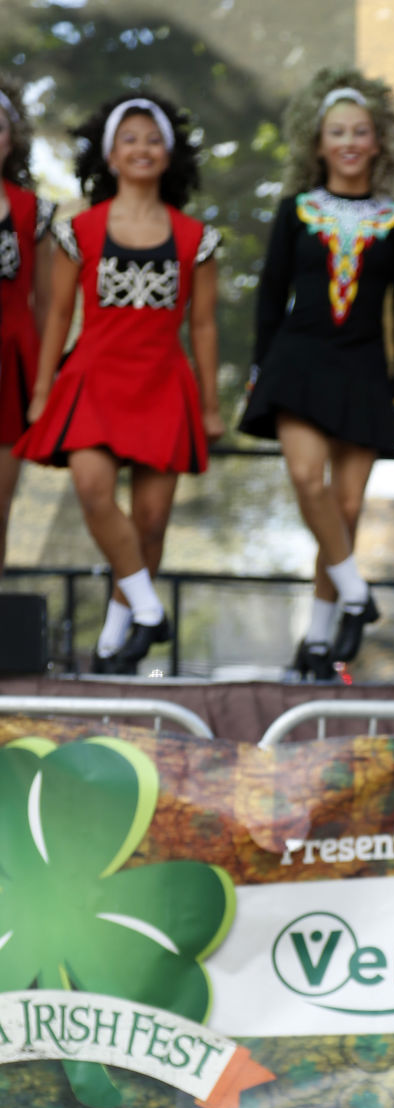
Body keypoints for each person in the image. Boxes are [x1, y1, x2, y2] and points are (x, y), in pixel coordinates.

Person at [17, 93, 222, 674]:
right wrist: (40, 391)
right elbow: (57, 316)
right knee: (93, 493)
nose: (142, 149)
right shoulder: (78, 230)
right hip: (94, 380)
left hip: (163, 383)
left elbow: (203, 326)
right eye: (129, 139)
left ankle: (114, 642)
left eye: (152, 139)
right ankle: (152, 612)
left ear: (169, 153)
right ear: (109, 155)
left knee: (151, 522)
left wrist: (209, 405)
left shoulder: (195, 238)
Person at [239, 67, 394, 680]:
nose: (349, 141)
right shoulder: (295, 210)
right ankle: (356, 593)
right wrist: (260, 370)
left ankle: (316, 644)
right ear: (318, 144)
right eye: (337, 131)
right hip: (297, 363)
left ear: (379, 143)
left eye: (361, 131)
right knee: (306, 479)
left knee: (346, 509)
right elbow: (269, 296)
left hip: (365, 371)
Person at [0, 75, 55, 574]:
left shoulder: (33, 212)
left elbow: (47, 305)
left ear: (11, 140)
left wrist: (42, 383)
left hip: (9, 370)